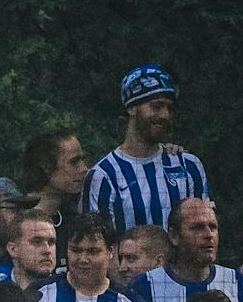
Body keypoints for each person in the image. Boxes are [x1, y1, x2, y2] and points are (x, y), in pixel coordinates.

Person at [84, 63, 210, 234]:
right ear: (131, 108)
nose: (165, 115)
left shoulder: (189, 167)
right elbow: (94, 242)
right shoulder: (104, 176)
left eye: (169, 108)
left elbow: (204, 232)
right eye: (156, 106)